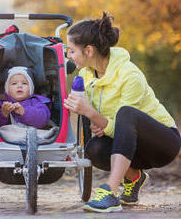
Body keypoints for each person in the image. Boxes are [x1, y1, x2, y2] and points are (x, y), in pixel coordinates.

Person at [63, 12, 181, 213]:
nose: (69, 56)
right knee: (95, 149)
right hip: (130, 145)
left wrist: (93, 115)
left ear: (89, 50)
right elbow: (113, 126)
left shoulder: (129, 75)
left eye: (72, 51)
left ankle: (110, 191)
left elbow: (125, 119)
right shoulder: (86, 75)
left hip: (163, 143)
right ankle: (134, 177)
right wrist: (99, 122)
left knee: (127, 113)